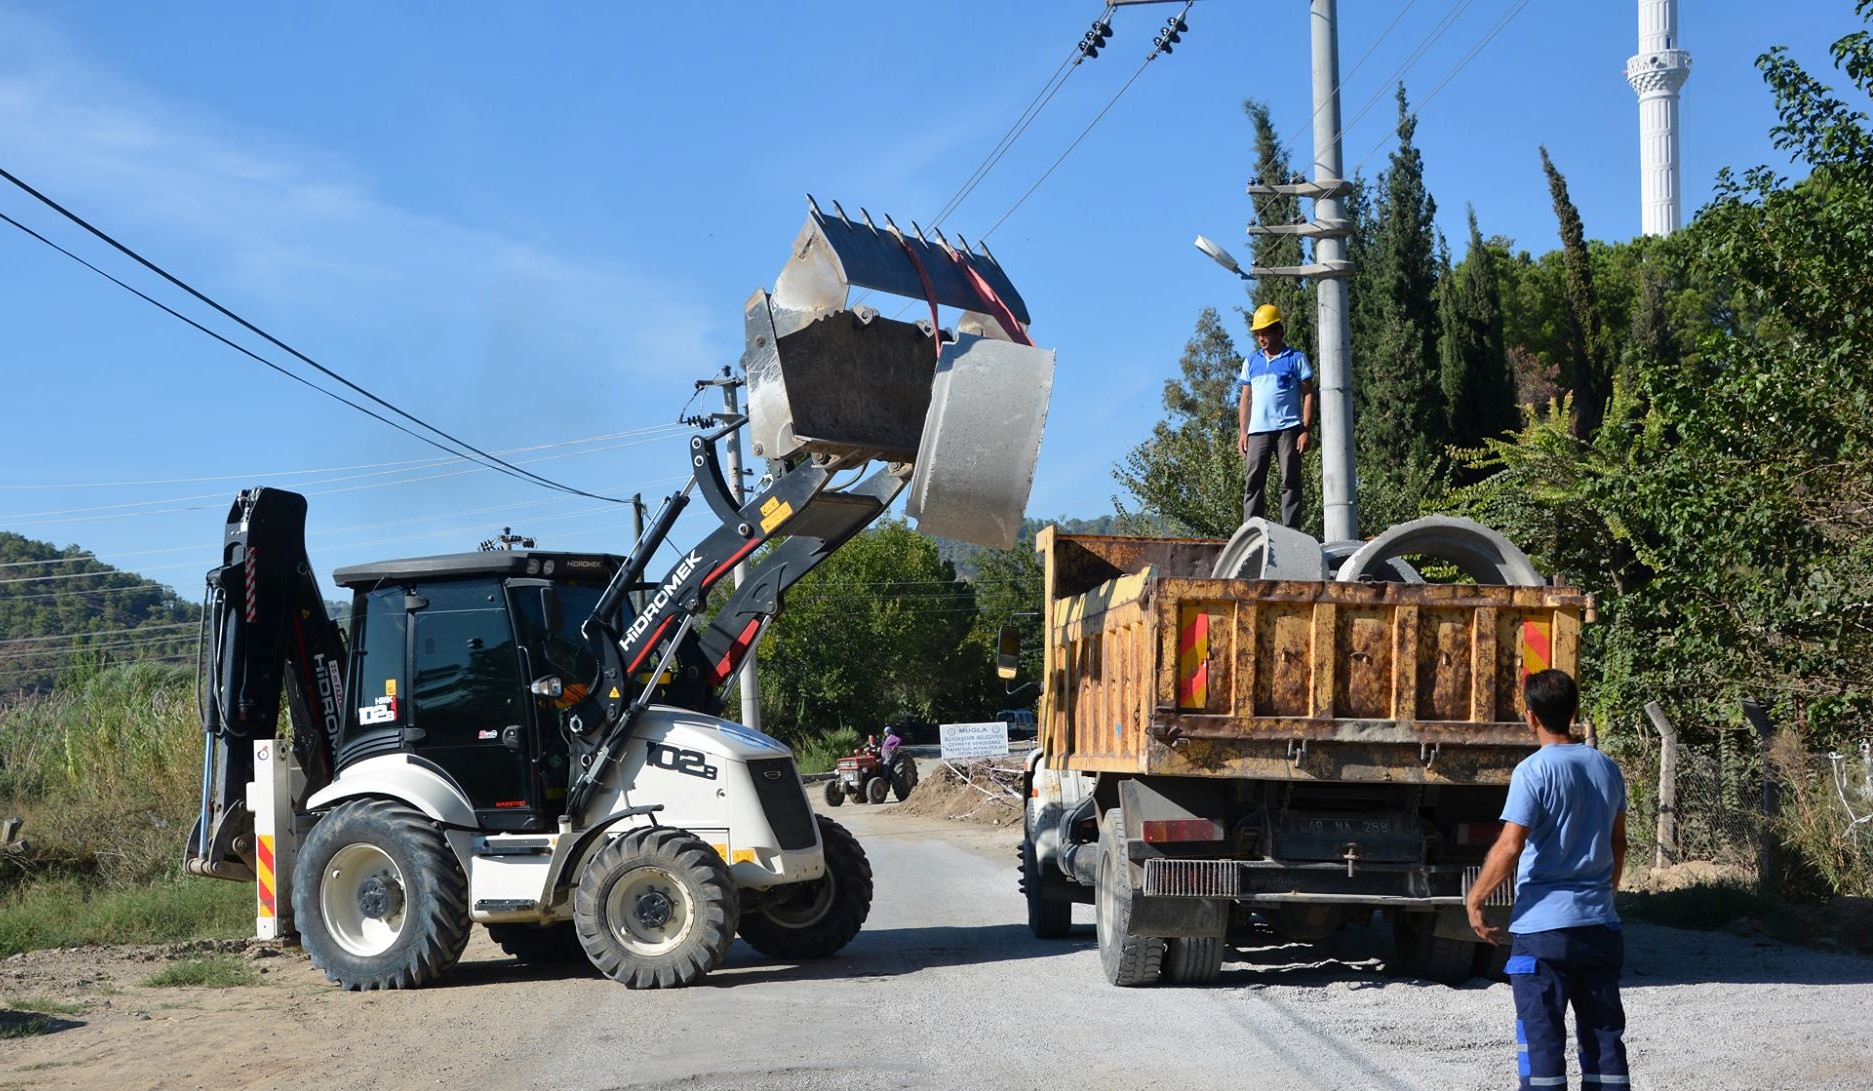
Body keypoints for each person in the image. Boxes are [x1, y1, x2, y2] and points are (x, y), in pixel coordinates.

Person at [1465, 669, 1630, 1091]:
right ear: (1574, 712)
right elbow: (1619, 844)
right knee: (1604, 1041)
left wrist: (1476, 899)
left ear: (1530, 716)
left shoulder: (1532, 772)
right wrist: (1604, 896)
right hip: (1598, 926)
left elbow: (1509, 846)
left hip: (1543, 931)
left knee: (1541, 1044)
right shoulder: (1608, 768)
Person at [1237, 303, 1315, 531]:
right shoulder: (1251, 362)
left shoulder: (1296, 359)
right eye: (1258, 334)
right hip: (1258, 431)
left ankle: (1291, 531)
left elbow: (1308, 394)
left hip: (1288, 429)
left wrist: (1305, 430)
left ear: (1279, 331)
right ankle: (1250, 531)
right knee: (1253, 482)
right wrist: (1243, 432)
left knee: (1290, 481)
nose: (1262, 338)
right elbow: (1245, 398)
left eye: (1266, 332)